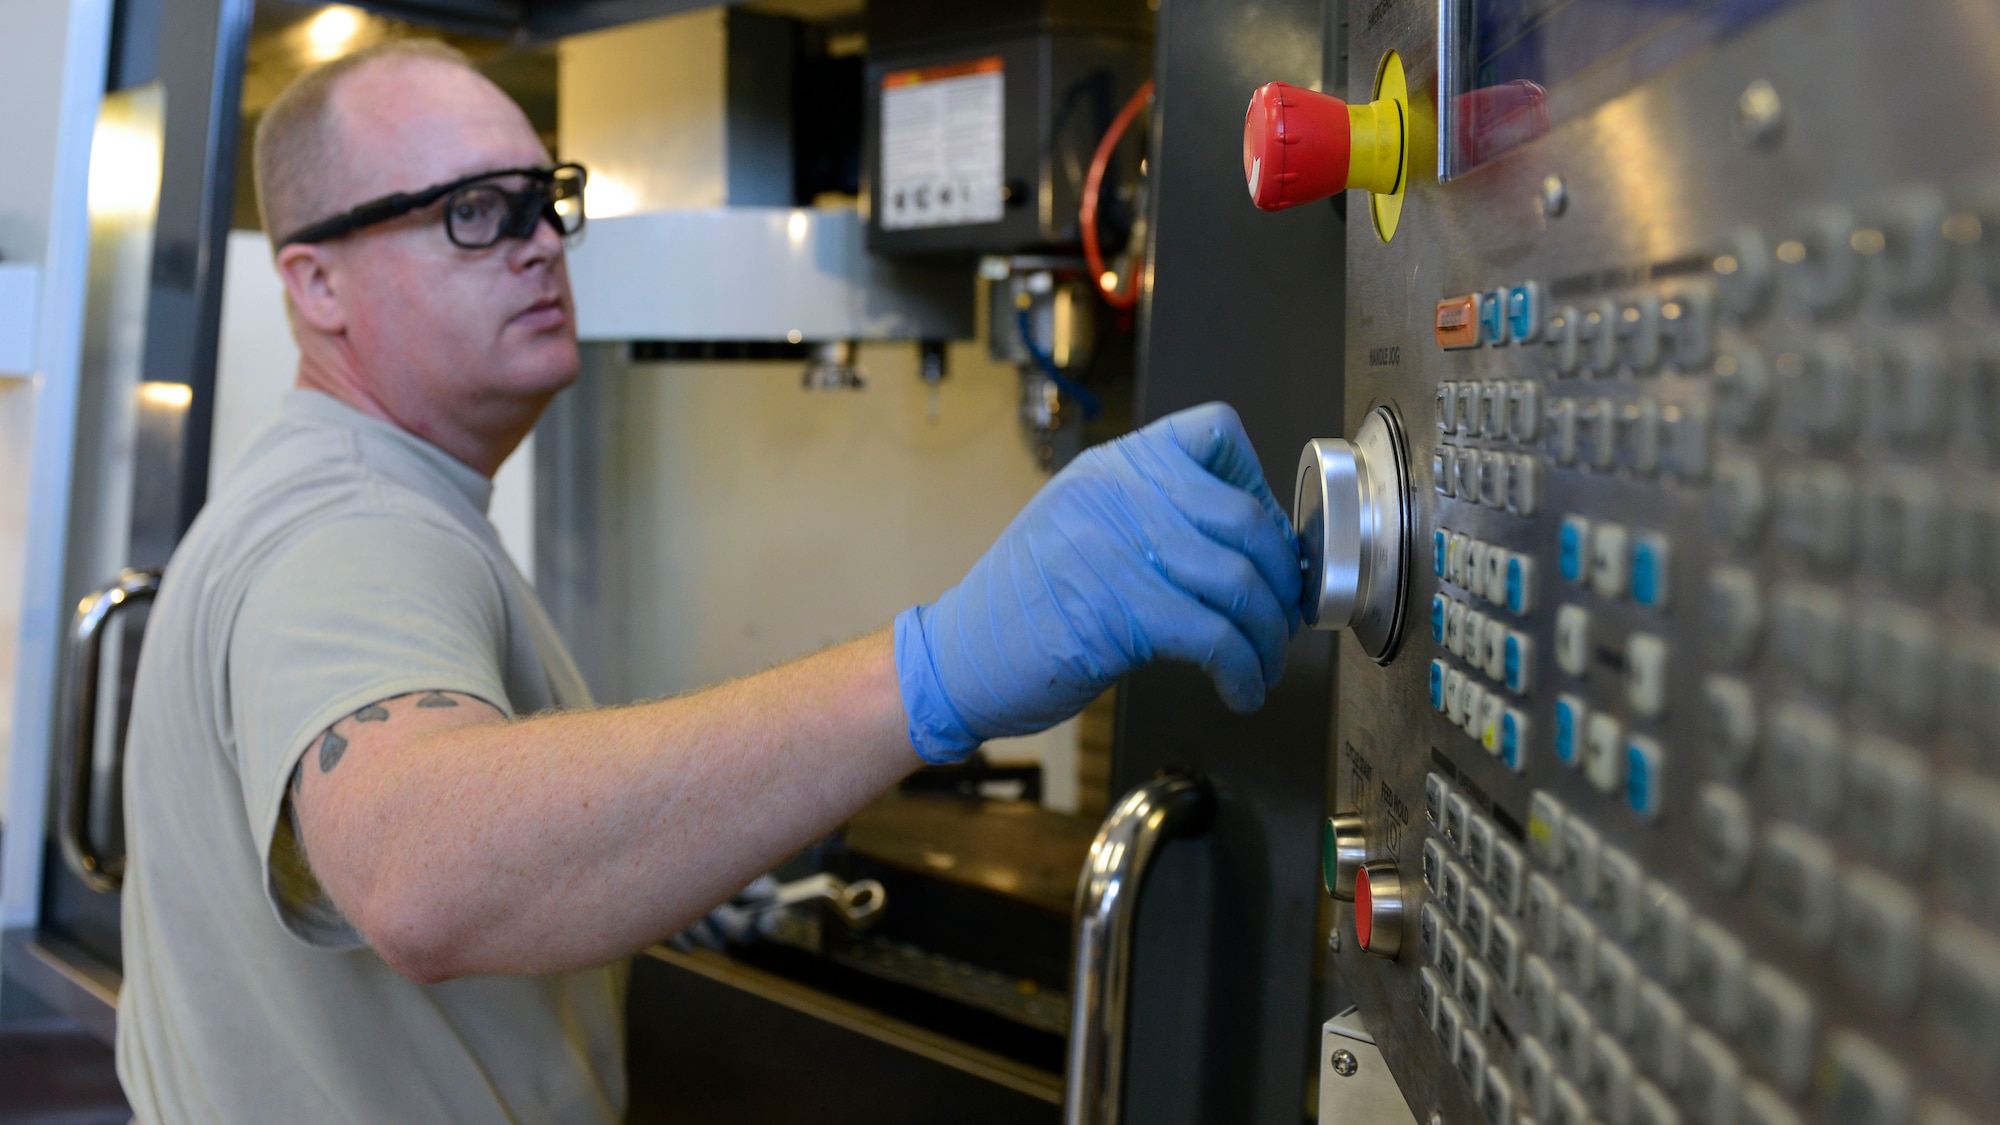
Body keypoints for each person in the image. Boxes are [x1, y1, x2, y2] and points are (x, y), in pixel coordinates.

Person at [115, 39, 1300, 1123]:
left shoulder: (342, 492)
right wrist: (928, 671)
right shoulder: (352, 526)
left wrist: (669, 884)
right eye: (470, 211)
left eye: (543, 199)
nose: (537, 241)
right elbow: (418, 871)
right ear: (315, 285)